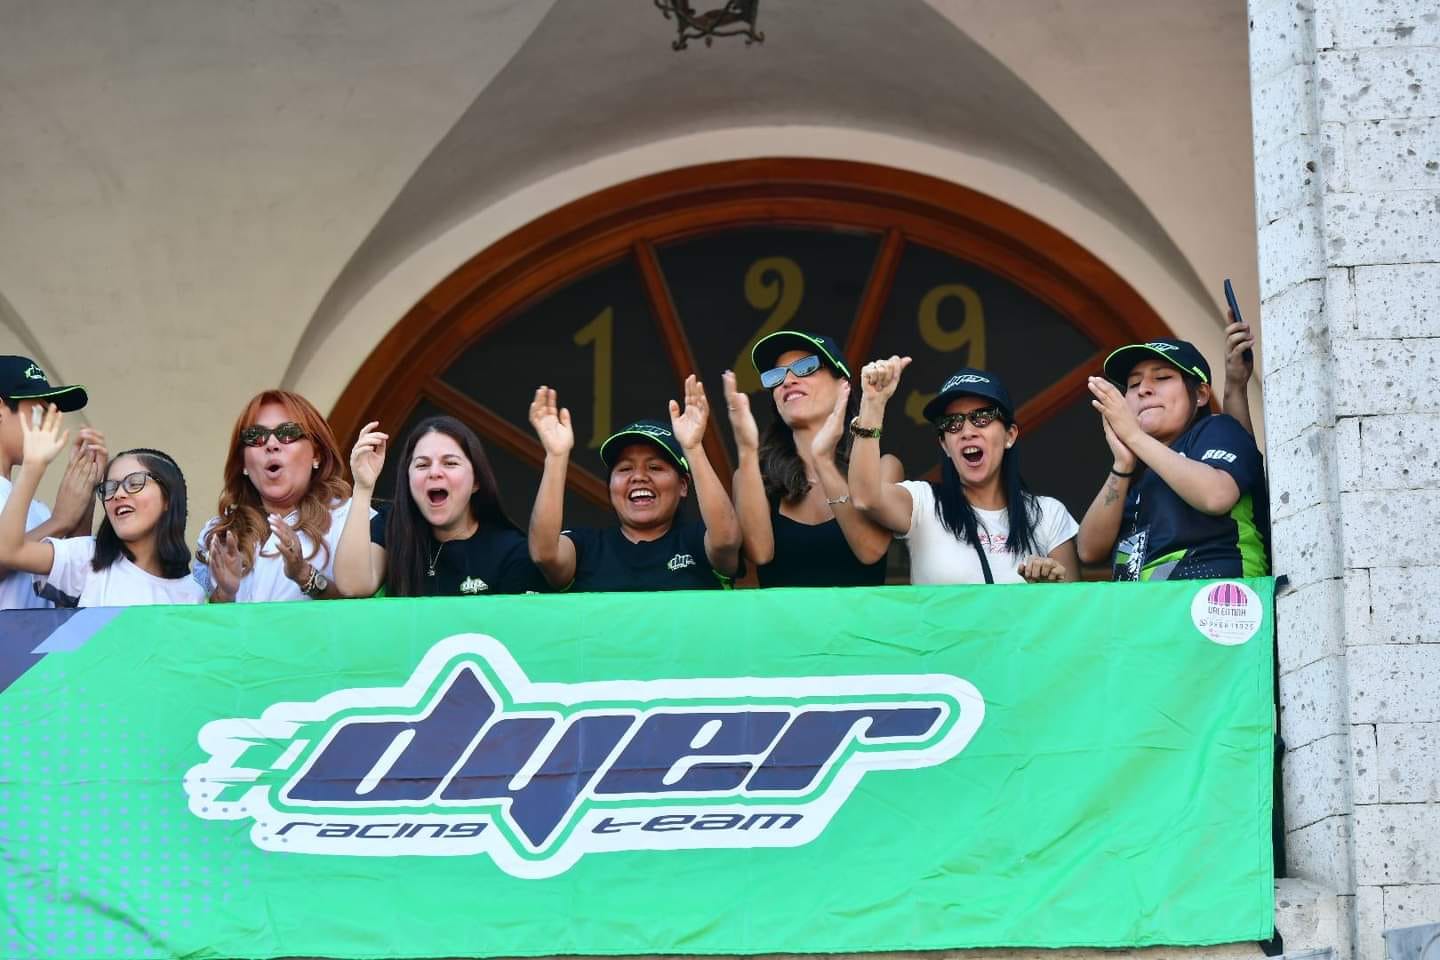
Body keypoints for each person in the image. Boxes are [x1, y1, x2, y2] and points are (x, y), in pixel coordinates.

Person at [848, 358, 1080, 584]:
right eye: (953, 423)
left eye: (981, 417)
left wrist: (1051, 591)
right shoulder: (924, 503)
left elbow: (1077, 614)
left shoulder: (1049, 515)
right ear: (944, 445)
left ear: (1009, 435)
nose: (967, 431)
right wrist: (872, 405)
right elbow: (866, 497)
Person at [1076, 338, 1270, 581]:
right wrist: (1122, 465)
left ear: (1200, 394)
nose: (1143, 389)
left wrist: (1134, 436)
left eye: (1162, 378)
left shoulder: (1218, 429)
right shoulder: (1136, 475)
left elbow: (1217, 496)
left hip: (1216, 604)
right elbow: (1088, 551)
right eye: (1134, 384)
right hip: (1146, 609)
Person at [527, 375, 742, 591]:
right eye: (625, 469)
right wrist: (556, 457)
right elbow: (545, 555)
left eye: (655, 467)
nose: (638, 476)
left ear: (683, 485)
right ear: (610, 486)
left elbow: (726, 540)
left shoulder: (697, 541)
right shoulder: (587, 547)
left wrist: (693, 448)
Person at [722, 330, 897, 587]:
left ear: (842, 386)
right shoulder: (752, 475)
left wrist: (822, 461)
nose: (788, 380)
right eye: (776, 376)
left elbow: (870, 550)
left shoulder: (885, 466)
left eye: (805, 367)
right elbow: (759, 553)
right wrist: (747, 448)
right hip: (784, 628)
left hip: (860, 627)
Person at [0, 405, 204, 606]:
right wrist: (33, 467)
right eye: (109, 487)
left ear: (168, 498)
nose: (118, 494)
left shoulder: (192, 594)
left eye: (134, 483)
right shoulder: (86, 558)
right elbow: (8, 551)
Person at [335, 415, 546, 597]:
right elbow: (353, 586)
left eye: (450, 463)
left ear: (476, 482)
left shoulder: (510, 550)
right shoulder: (392, 523)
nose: (434, 472)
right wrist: (363, 487)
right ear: (408, 479)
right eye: (422, 465)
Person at [196, 390, 354, 602]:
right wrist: (225, 593)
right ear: (242, 462)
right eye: (255, 437)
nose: (271, 444)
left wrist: (304, 575)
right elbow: (199, 627)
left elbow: (363, 610)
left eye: (288, 433)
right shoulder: (216, 533)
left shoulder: (350, 519)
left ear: (317, 454)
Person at [0, 356, 108, 608]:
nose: (50, 424)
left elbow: (72, 587)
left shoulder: (37, 509)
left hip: (33, 646)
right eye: (40, 411)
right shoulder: (47, 514)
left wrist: (85, 489)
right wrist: (59, 522)